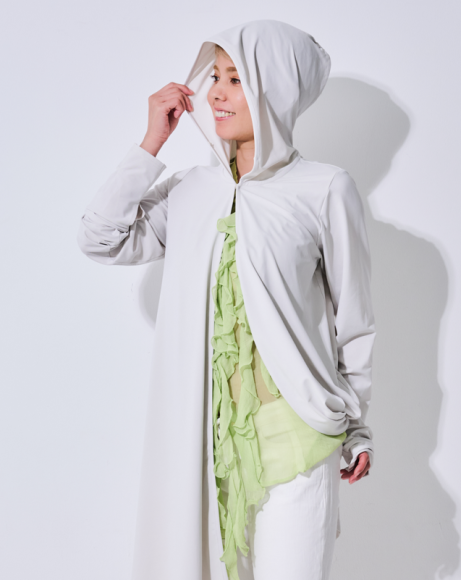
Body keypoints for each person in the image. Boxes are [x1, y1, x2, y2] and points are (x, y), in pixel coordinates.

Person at [78, 19, 376, 580]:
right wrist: (150, 143)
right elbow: (99, 238)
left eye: (236, 78)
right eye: (215, 75)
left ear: (276, 87)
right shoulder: (191, 189)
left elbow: (353, 322)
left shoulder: (325, 189)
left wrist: (356, 428)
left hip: (298, 441)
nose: (216, 92)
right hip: (204, 448)